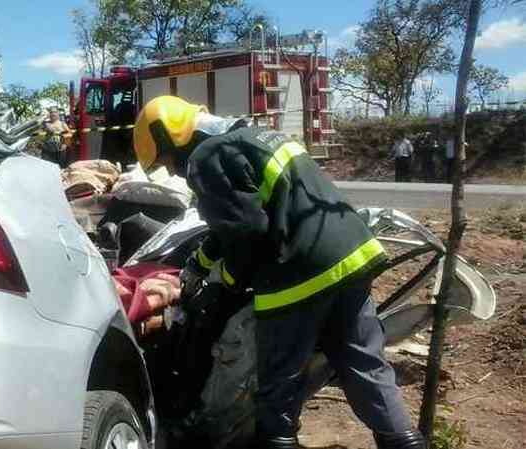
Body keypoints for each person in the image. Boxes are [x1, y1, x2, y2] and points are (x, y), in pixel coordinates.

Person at [132, 96, 427, 449]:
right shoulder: (257, 136)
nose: (176, 170)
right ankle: (404, 442)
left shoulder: (206, 156)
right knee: (365, 365)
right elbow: (237, 219)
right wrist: (200, 263)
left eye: (166, 160)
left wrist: (222, 287)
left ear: (170, 137)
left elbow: (246, 234)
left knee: (278, 384)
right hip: (351, 257)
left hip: (299, 271)